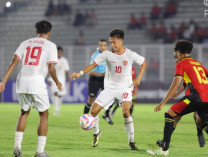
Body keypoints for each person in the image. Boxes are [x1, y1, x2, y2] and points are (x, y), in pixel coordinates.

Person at [146, 40, 208, 156]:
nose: (174, 55)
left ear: (179, 53)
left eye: (174, 52)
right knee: (201, 122)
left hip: (196, 97)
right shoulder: (197, 63)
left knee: (169, 114)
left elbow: (175, 84)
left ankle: (164, 150)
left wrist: (162, 102)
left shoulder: (181, 64)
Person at [72, 29, 147, 150]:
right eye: (111, 42)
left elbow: (144, 63)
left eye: (114, 42)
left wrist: (138, 78)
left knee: (126, 112)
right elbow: (93, 65)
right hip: (110, 88)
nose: (112, 45)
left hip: (124, 88)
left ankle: (131, 141)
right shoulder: (107, 54)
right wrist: (80, 73)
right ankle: (96, 133)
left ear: (121, 41)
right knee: (93, 112)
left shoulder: (130, 54)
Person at [0, 20, 62, 157]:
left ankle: (17, 148)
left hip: (22, 81)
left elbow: (14, 62)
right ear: (49, 32)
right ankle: (40, 151)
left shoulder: (25, 43)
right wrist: (57, 82)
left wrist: (3, 81)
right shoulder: (50, 45)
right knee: (44, 114)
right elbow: (51, 68)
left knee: (24, 112)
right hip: (37, 81)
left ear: (36, 32)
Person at [83, 39, 108, 114]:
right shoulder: (95, 56)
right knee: (91, 99)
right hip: (95, 80)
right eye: (101, 45)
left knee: (110, 97)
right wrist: (103, 74)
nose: (102, 47)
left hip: (105, 80)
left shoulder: (109, 55)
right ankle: (85, 117)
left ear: (107, 46)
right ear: (99, 46)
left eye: (104, 45)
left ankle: (106, 115)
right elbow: (91, 72)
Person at [48, 46, 70, 116]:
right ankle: (55, 110)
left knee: (60, 95)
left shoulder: (64, 60)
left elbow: (67, 72)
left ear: (62, 52)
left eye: (60, 52)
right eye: (58, 52)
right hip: (53, 79)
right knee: (55, 93)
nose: (59, 53)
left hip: (62, 79)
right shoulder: (53, 60)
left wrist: (69, 81)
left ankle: (58, 110)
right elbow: (49, 70)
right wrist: (49, 79)